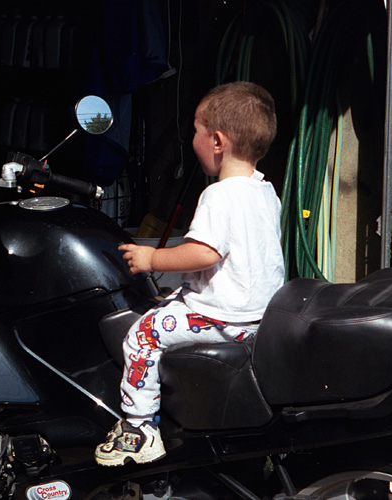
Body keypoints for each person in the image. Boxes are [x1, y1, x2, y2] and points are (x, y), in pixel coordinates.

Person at [94, 81, 285, 466]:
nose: (191, 139)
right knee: (171, 303)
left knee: (142, 336)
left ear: (217, 141)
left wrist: (152, 259)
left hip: (222, 316)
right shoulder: (265, 191)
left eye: (195, 131)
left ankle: (139, 428)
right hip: (260, 316)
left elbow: (204, 253)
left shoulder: (219, 194)